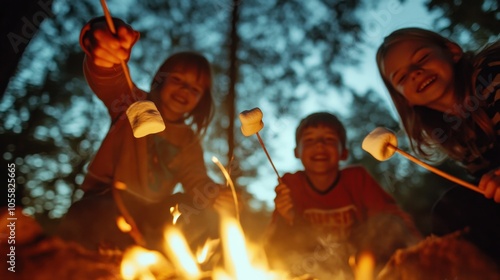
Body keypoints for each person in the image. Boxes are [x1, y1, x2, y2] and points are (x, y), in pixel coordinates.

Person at [57, 17, 235, 251]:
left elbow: (194, 177)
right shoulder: (133, 103)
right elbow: (110, 78)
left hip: (153, 210)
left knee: (195, 214)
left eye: (194, 89)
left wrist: (213, 194)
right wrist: (105, 52)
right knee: (93, 215)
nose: (184, 90)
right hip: (108, 198)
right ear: (160, 80)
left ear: (202, 101)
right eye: (178, 80)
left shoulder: (188, 139)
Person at [375, 27, 500, 264]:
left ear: (452, 51)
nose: (415, 73)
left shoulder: (490, 74)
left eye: (422, 58)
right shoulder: (457, 137)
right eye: (401, 78)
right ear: (404, 99)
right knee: (452, 211)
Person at [264, 112, 421, 278]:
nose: (319, 145)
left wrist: (420, 248)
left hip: (363, 264)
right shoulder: (291, 184)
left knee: (389, 223)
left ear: (344, 153)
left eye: (329, 139)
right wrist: (286, 217)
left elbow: (390, 220)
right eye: (309, 140)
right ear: (297, 152)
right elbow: (274, 246)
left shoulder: (357, 178)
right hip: (317, 266)